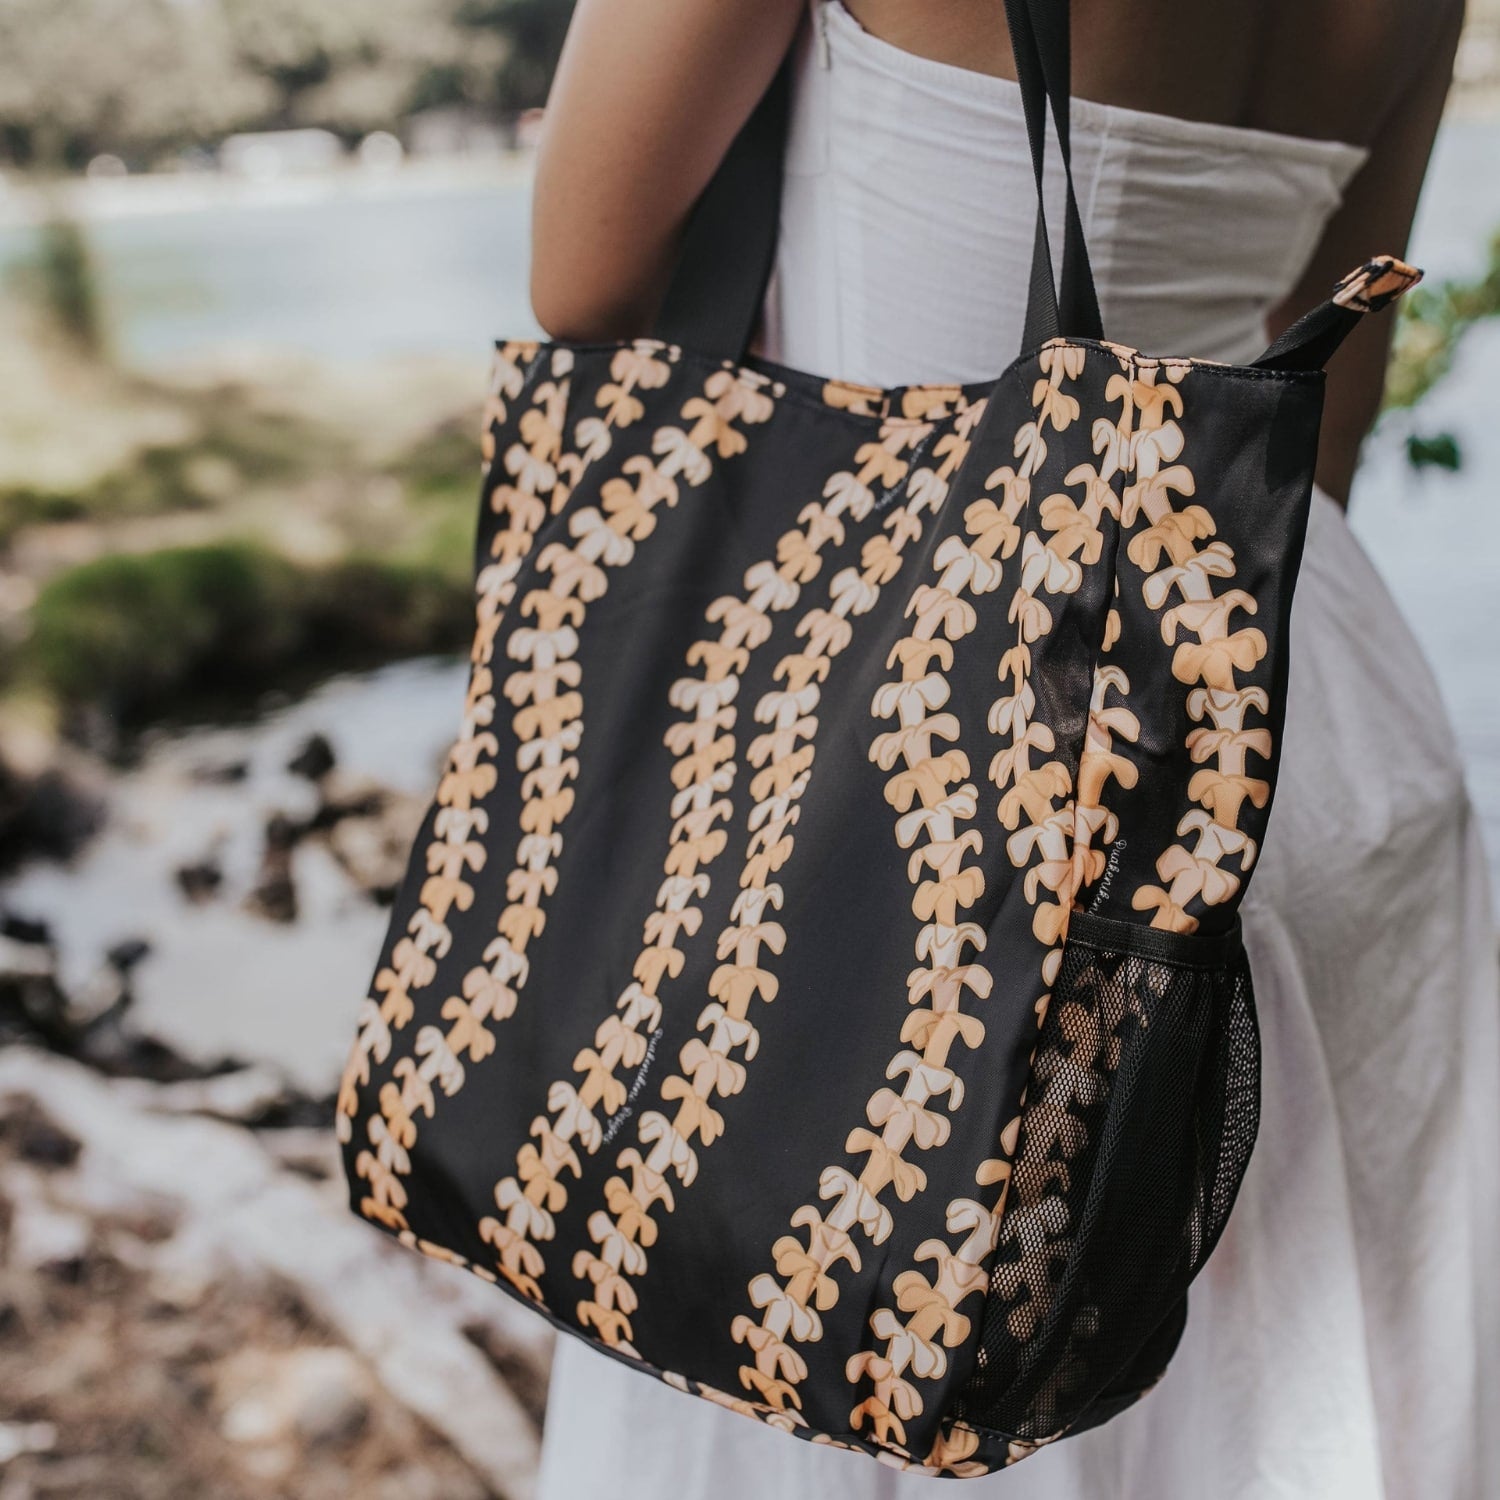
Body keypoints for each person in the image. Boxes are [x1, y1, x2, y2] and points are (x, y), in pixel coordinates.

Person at [527, 2, 1499, 1496]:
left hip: (916, 746)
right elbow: (1326, 389)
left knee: (872, 1345)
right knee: (1296, 1384)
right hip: (1298, 702)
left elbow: (583, 277)